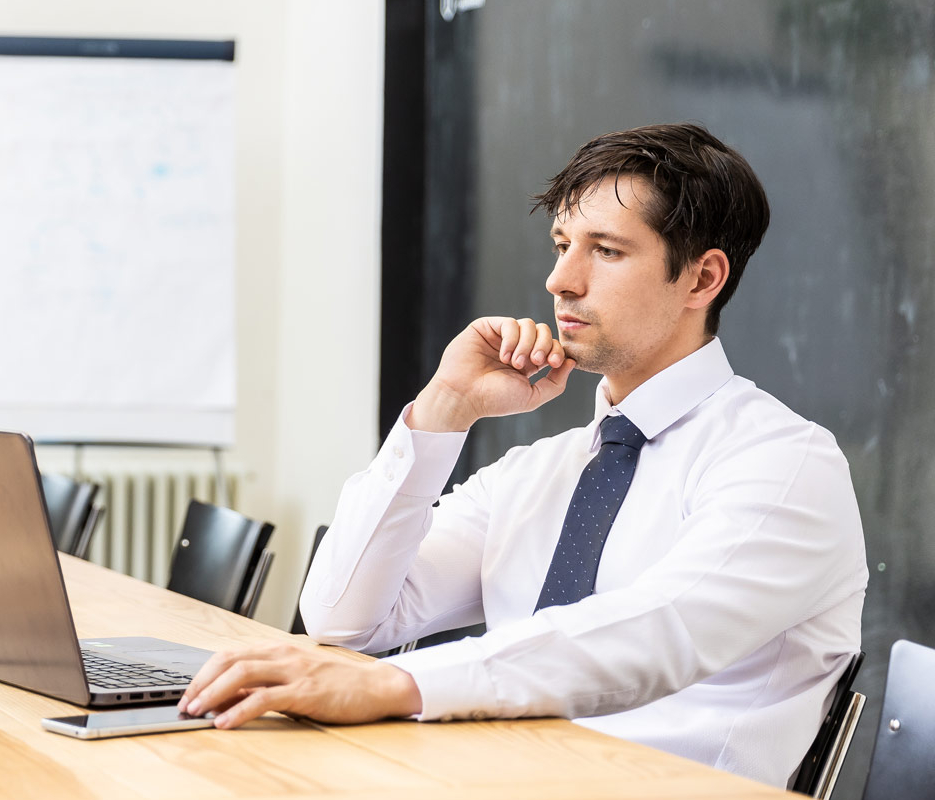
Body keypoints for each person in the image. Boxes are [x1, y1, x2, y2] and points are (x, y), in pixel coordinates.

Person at [177, 123, 868, 788]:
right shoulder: (544, 471)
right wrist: (446, 407)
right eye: (561, 243)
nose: (560, 280)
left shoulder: (786, 465)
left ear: (700, 279)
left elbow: (659, 628)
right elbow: (342, 617)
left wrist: (401, 682)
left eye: (606, 250)